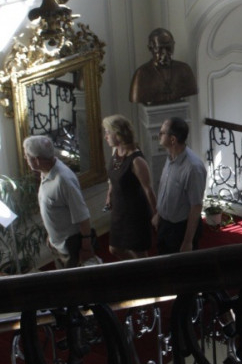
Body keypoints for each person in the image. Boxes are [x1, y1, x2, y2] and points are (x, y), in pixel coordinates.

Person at [23, 135, 95, 268]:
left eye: (27, 156)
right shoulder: (45, 172)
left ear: (37, 160)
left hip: (72, 248)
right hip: (58, 244)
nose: (25, 158)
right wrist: (51, 236)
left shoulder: (63, 180)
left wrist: (86, 247)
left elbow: (82, 215)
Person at [102, 114, 156, 260]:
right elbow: (113, 177)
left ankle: (145, 271)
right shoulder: (115, 152)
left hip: (135, 212)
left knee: (139, 252)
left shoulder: (137, 160)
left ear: (118, 134)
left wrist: (156, 214)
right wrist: (109, 194)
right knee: (114, 249)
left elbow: (148, 189)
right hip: (119, 210)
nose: (105, 136)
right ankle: (136, 267)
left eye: (108, 132)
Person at [154, 117, 207, 254]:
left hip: (180, 229)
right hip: (165, 224)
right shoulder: (170, 157)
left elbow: (196, 206)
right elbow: (166, 189)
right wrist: (159, 214)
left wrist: (187, 241)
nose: (159, 135)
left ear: (173, 139)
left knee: (180, 266)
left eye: (162, 133)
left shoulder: (193, 168)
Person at [129, 28, 198, 105]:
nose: (164, 53)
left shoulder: (184, 69)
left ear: (173, 46)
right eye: (160, 48)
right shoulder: (141, 74)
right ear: (150, 48)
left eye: (168, 48)